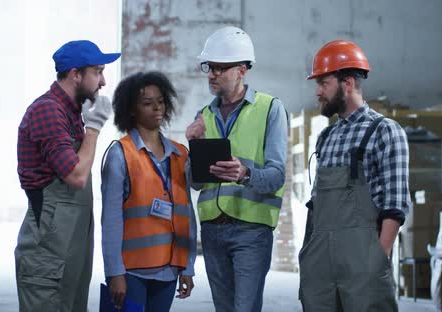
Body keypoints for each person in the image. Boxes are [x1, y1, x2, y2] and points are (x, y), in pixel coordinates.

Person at [299, 40, 411, 311]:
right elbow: (317, 205)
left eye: (324, 83)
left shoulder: (385, 131)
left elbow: (394, 205)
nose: (318, 92)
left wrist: (377, 260)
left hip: (363, 264)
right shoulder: (326, 137)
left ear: (347, 83)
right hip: (321, 267)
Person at [185, 26, 288, 312]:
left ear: (242, 69)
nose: (211, 74)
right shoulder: (202, 116)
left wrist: (244, 174)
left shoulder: (270, 109)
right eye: (209, 67)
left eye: (219, 68)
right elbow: (194, 183)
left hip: (251, 231)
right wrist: (191, 147)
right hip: (213, 232)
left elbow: (278, 175)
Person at [14, 40, 120, 312]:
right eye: (97, 72)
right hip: (47, 250)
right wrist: (94, 129)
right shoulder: (48, 110)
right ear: (75, 74)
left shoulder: (72, 114)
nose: (103, 81)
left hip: (69, 247)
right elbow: (76, 176)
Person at [101, 71, 196, 311]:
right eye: (147, 103)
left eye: (161, 101)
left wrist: (187, 266)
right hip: (132, 271)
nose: (157, 108)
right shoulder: (120, 155)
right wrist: (114, 273)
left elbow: (187, 215)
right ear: (131, 110)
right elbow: (110, 221)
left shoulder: (179, 154)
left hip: (169, 270)